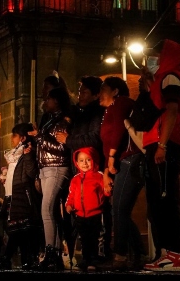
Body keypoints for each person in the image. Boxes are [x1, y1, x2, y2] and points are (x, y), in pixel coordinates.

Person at [140, 39, 180, 272]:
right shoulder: (165, 78)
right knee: (158, 199)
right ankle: (166, 254)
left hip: (165, 143)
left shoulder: (172, 77)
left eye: (156, 55)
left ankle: (172, 254)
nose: (153, 59)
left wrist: (162, 145)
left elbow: (171, 110)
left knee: (165, 197)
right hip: (160, 142)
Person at [57, 76, 106, 264]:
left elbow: (94, 138)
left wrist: (68, 140)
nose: (80, 95)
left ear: (95, 95)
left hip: (93, 169)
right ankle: (84, 255)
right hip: (78, 170)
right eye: (79, 91)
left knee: (97, 223)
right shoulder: (79, 112)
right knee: (81, 224)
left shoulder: (97, 113)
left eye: (84, 91)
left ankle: (100, 254)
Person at [99, 76, 145, 270]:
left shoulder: (121, 103)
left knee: (119, 208)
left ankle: (120, 254)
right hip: (123, 161)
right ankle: (137, 251)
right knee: (119, 209)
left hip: (129, 159)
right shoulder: (109, 109)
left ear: (115, 91)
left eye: (104, 89)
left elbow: (118, 129)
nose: (100, 93)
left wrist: (110, 159)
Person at [32, 85, 72, 271]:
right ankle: (53, 251)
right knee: (51, 211)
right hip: (46, 168)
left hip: (56, 167)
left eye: (48, 98)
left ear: (56, 101)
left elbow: (62, 148)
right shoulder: (49, 120)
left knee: (46, 209)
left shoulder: (62, 121)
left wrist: (39, 136)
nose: (45, 101)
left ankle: (51, 251)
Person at [0, 123, 42, 270]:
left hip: (22, 194)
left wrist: (28, 157)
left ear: (22, 138)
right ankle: (21, 260)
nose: (11, 138)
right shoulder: (14, 154)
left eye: (14, 135)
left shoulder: (28, 152)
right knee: (16, 229)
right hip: (12, 195)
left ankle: (11, 259)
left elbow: (31, 173)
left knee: (20, 229)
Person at [64, 147, 111, 271]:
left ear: (94, 160)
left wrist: (108, 191)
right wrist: (69, 205)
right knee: (84, 238)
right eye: (81, 160)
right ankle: (86, 259)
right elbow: (71, 195)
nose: (84, 163)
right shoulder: (75, 179)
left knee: (95, 237)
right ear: (77, 163)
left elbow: (105, 191)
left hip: (96, 214)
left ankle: (95, 259)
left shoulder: (99, 176)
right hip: (80, 215)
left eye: (88, 160)